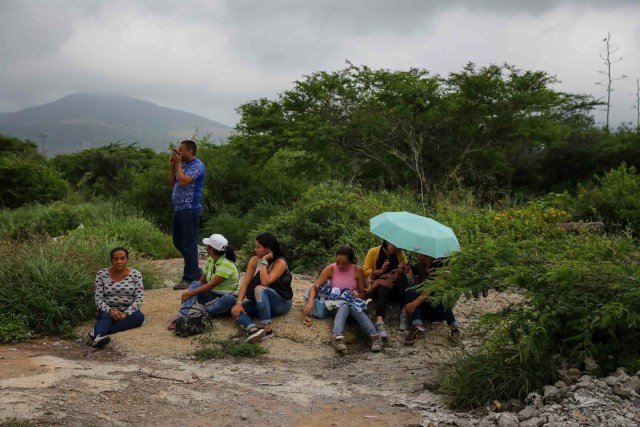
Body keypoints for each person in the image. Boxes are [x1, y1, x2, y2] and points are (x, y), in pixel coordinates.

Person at [303, 244, 382, 353]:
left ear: (351, 261)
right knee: (344, 305)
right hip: (336, 304)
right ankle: (338, 337)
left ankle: (374, 338)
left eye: (344, 264)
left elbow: (364, 294)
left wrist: (356, 295)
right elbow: (314, 286)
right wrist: (310, 301)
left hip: (353, 302)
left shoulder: (357, 270)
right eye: (338, 262)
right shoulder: (331, 268)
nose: (340, 265)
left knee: (353, 306)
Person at [167, 233, 239, 330]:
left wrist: (190, 293)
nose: (205, 248)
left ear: (212, 249)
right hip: (213, 297)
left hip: (225, 300)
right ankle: (182, 315)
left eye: (207, 246)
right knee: (196, 284)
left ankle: (199, 315)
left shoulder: (226, 264)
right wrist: (194, 292)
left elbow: (211, 285)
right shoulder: (211, 260)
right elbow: (201, 282)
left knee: (228, 298)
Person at [231, 233, 293, 343]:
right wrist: (239, 303)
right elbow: (245, 282)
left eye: (258, 247)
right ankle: (253, 330)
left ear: (268, 250)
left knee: (259, 289)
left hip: (280, 303)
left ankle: (267, 329)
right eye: (255, 247)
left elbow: (265, 283)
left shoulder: (280, 262)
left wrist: (264, 261)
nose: (255, 250)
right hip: (261, 302)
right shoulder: (254, 260)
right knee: (235, 309)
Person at [169, 139, 206, 290]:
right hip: (179, 208)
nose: (179, 152)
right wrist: (172, 166)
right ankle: (196, 271)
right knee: (178, 241)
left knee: (189, 244)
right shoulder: (183, 165)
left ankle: (189, 278)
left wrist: (178, 164)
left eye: (181, 150)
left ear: (190, 151)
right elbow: (173, 183)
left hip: (190, 209)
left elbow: (184, 181)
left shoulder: (197, 165)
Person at [90, 247, 145, 348]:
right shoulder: (102, 274)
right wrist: (110, 310)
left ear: (127, 259)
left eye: (122, 258)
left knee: (139, 317)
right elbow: (98, 298)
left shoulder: (136, 274)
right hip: (108, 309)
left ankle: (99, 330)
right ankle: (98, 338)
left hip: (128, 310)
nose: (119, 262)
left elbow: (139, 298)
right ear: (111, 260)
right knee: (105, 318)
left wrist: (126, 313)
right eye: (115, 259)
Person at [402, 253, 461, 346]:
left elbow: (431, 288)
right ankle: (418, 326)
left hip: (439, 309)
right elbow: (416, 289)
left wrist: (413, 304)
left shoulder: (444, 268)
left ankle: (454, 327)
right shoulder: (418, 267)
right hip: (423, 309)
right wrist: (410, 276)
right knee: (410, 286)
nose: (416, 251)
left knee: (436, 292)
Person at [363, 240, 409, 340]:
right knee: (383, 287)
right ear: (387, 241)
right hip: (378, 288)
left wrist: (402, 270)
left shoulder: (400, 254)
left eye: (399, 247)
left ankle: (403, 314)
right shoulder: (374, 252)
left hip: (395, 289)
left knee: (402, 279)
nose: (397, 249)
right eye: (394, 246)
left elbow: (406, 272)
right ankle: (379, 321)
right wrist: (381, 271)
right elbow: (365, 271)